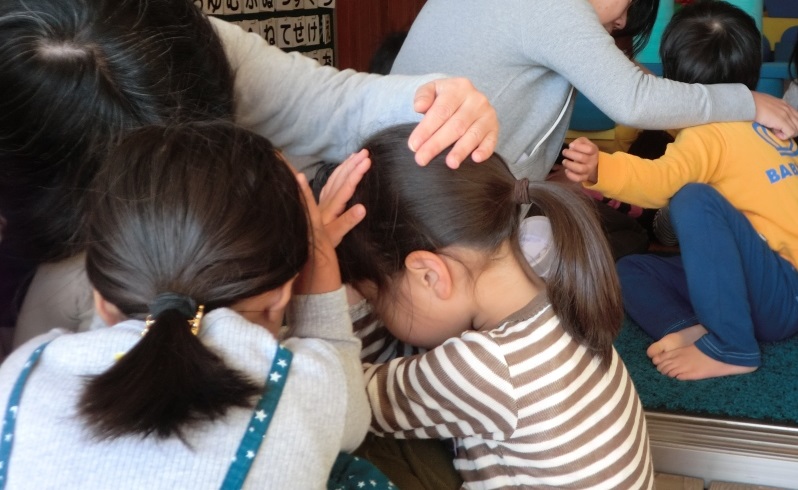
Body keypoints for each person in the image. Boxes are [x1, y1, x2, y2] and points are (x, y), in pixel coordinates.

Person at [0, 0, 499, 352]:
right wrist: (323, 300)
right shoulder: (60, 300)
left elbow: (335, 103)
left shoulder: (171, 44)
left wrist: (438, 102)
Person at [0, 120, 384, 488]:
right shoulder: (301, 383)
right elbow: (351, 419)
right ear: (283, 294)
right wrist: (320, 277)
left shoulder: (24, 370)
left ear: (101, 297)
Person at [335, 123, 654, 488]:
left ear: (430, 276)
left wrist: (332, 293)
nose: (375, 313)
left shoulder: (483, 367)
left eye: (374, 300)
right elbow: (412, 349)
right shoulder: (552, 283)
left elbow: (346, 398)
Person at [561, 0, 798, 381]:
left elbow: (660, 182)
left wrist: (601, 167)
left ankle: (733, 346)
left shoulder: (707, 136)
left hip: (781, 295)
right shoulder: (765, 125)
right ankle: (691, 327)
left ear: (674, 77)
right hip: (770, 284)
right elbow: (673, 118)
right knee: (632, 270)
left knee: (692, 198)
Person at [390, 0, 798, 182]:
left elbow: (623, 79)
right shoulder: (556, 8)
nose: (621, 23)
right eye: (628, 7)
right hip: (438, 191)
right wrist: (746, 101)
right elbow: (634, 100)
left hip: (407, 173)